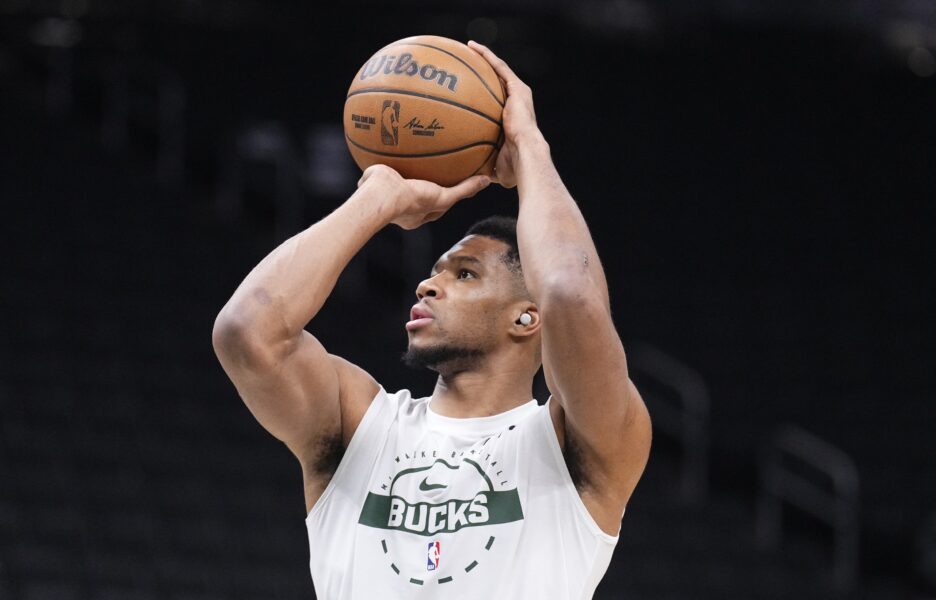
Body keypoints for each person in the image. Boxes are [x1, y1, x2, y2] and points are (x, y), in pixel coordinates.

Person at [212, 41, 651, 599]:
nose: (427, 284)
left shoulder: (577, 445)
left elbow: (570, 292)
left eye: (465, 274)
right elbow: (244, 332)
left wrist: (530, 151)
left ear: (526, 317)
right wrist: (377, 198)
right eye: (436, 272)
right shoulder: (359, 427)